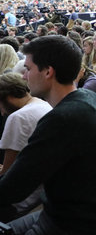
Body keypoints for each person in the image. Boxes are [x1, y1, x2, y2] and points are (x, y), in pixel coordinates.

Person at [0, 36, 96, 234]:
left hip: (73, 224)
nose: (23, 77)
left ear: (48, 72)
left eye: (28, 69)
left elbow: (13, 188)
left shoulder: (63, 118)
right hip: (74, 215)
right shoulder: (88, 98)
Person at [0, 73, 52, 222]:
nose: (1, 111)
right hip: (41, 192)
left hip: (19, 200)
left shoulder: (18, 117)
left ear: (8, 98)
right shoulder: (42, 104)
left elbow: (7, 175)